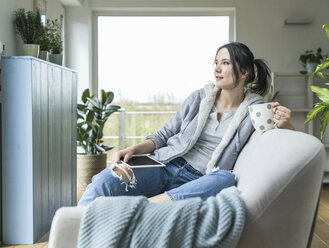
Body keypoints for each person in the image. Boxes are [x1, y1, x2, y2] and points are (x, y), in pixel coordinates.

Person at [78, 42, 295, 206]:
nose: (217, 68)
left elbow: (279, 142)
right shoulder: (199, 98)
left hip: (200, 179)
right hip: (164, 165)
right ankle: (73, 235)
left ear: (244, 72)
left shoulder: (254, 111)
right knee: (103, 181)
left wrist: (285, 124)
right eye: (216, 62)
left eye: (226, 63)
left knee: (226, 180)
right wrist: (133, 150)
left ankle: (148, 207)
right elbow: (165, 134)